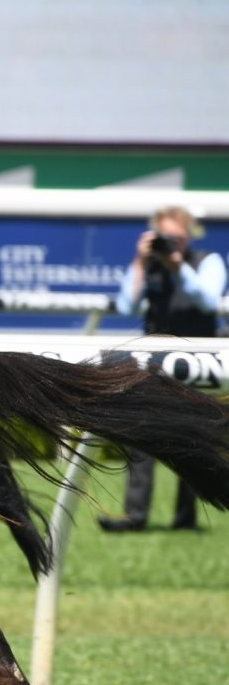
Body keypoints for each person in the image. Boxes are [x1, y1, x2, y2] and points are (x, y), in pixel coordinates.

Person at [98, 205, 226, 532]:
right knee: (139, 434)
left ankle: (187, 520)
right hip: (155, 360)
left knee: (195, 439)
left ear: (189, 236)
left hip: (199, 361)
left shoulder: (207, 262)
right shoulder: (149, 266)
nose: (172, 244)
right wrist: (140, 262)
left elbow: (208, 301)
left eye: (178, 238)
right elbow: (126, 305)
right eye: (166, 238)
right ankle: (134, 516)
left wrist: (178, 267)